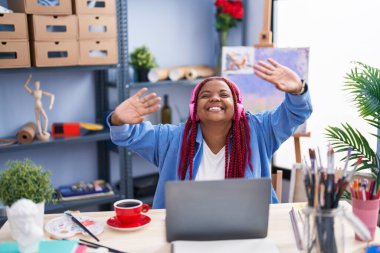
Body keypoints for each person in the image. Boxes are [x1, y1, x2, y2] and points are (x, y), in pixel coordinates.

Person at [108, 58, 312, 208]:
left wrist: (298, 90)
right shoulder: (171, 138)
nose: (215, 98)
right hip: (184, 231)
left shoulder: (259, 130)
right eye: (206, 95)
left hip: (245, 231)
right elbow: (128, 135)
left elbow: (296, 113)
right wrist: (118, 119)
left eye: (224, 95)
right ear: (194, 108)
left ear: (238, 106)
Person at [24, 74, 55, 141]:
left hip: (39, 105)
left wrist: (51, 104)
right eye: (35, 85)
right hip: (37, 106)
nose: (37, 86)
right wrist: (29, 78)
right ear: (34, 85)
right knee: (38, 119)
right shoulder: (34, 92)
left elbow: (52, 95)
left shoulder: (41, 92)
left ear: (39, 85)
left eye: (38, 85)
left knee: (45, 118)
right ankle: (41, 132)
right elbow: (25, 86)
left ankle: (44, 131)